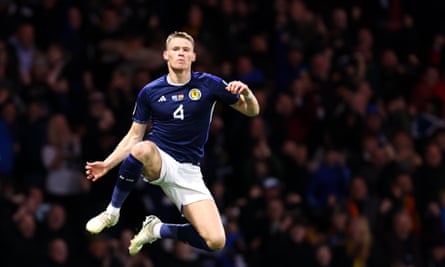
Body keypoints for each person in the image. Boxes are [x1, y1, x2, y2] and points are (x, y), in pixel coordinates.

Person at [84, 31, 260, 255]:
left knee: (215, 241)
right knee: (142, 148)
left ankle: (156, 229)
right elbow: (134, 136)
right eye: (176, 49)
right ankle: (112, 212)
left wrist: (247, 93)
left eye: (186, 50)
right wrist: (107, 165)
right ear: (166, 55)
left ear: (193, 56)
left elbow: (252, 111)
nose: (181, 53)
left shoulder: (208, 84)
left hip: (189, 170)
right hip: (160, 159)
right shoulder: (150, 92)